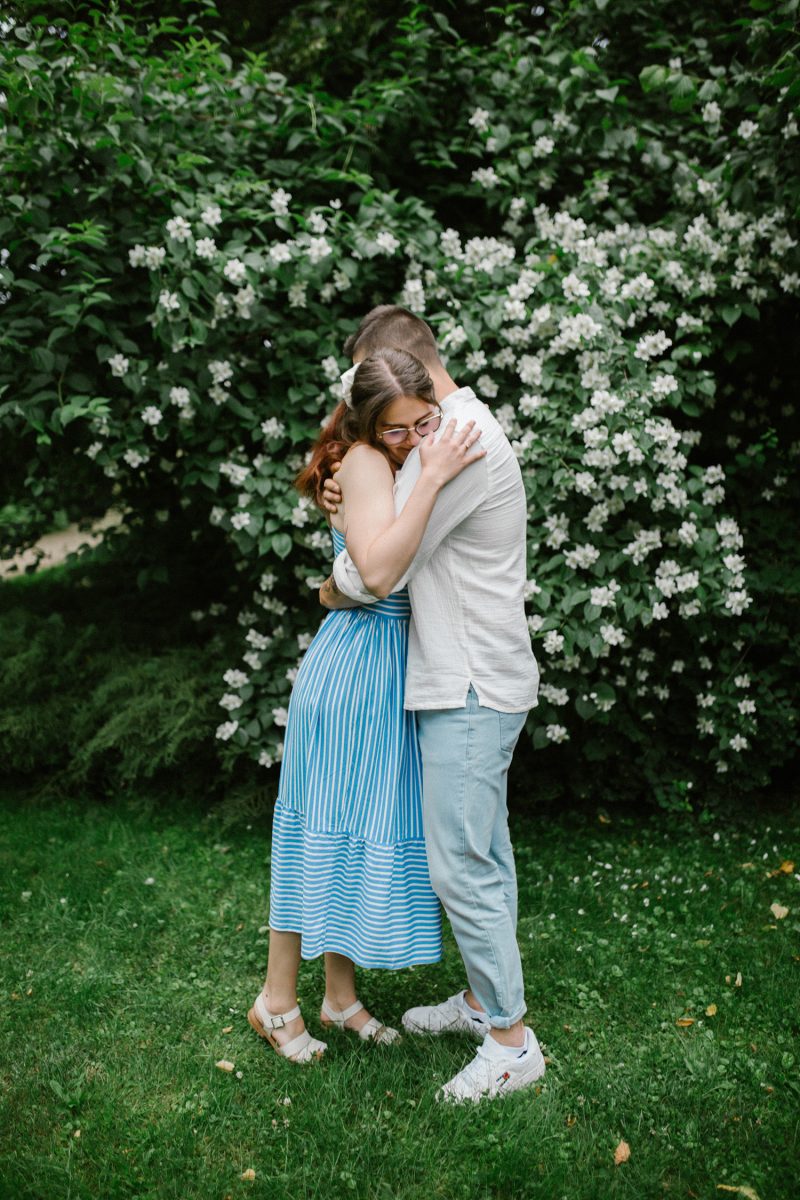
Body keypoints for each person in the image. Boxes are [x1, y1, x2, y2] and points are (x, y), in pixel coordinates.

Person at [320, 305, 545, 1102]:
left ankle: (511, 1045)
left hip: (471, 680)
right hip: (475, 674)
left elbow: (377, 571)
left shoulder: (458, 440)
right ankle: (486, 1002)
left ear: (397, 366)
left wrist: (334, 578)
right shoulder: (443, 432)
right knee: (485, 851)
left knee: (462, 863)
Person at [248, 347, 485, 1064]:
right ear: (367, 424)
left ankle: (339, 997)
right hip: (357, 665)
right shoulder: (365, 463)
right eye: (396, 429)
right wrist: (430, 475)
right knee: (317, 831)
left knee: (351, 832)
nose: (414, 439)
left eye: (424, 423)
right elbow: (377, 575)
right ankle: (275, 1002)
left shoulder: (391, 460)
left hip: (390, 669)